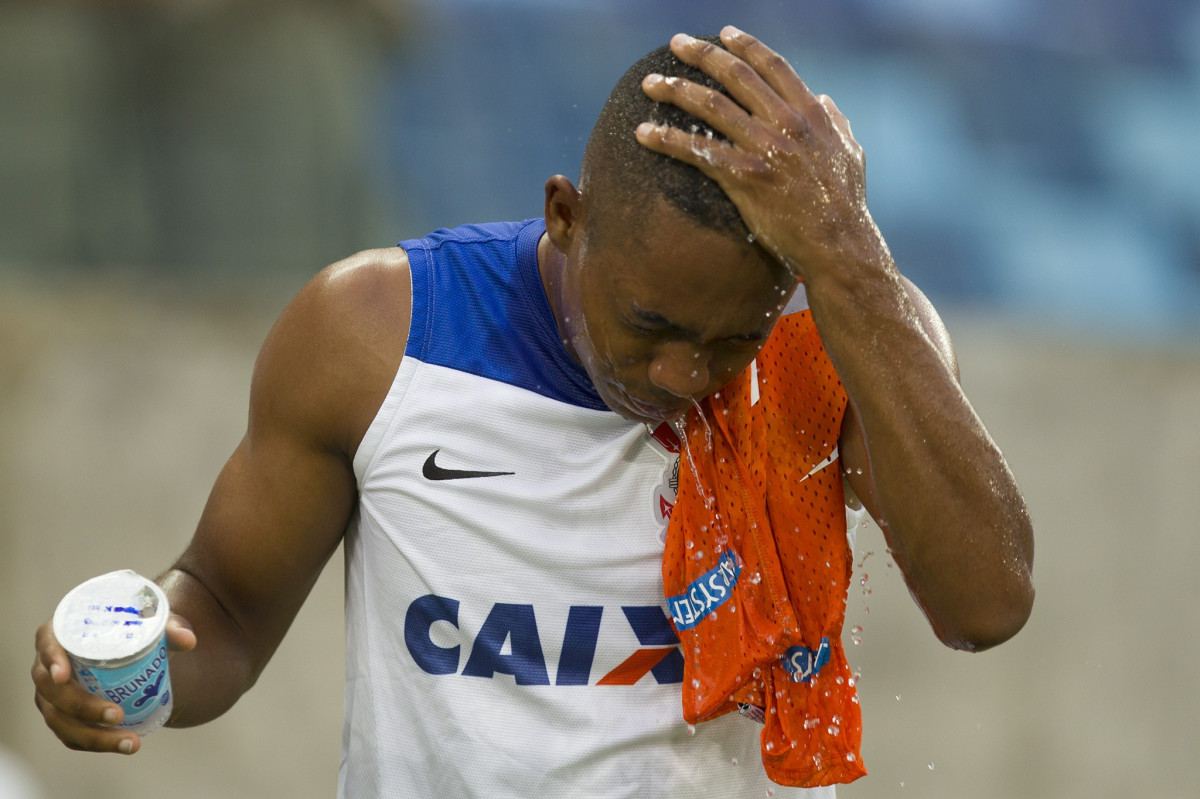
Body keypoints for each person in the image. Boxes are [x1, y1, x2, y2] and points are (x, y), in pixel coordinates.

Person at [31, 26, 1034, 797]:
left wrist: (849, 256)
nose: (685, 373)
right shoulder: (374, 335)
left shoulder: (835, 343)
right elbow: (228, 611)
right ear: (567, 215)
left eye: (729, 342)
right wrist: (134, 670)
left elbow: (987, 607)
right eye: (650, 323)